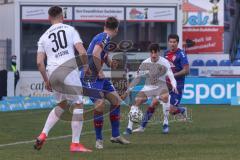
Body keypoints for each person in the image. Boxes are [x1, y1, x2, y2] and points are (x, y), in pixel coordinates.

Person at [34, 6, 91, 152]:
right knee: (78, 103)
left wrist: (46, 80)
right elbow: (82, 51)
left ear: (49, 18)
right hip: (68, 69)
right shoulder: (70, 30)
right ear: (62, 16)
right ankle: (75, 144)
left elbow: (39, 62)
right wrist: (86, 67)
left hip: (52, 72)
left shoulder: (43, 37)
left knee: (62, 104)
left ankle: (43, 134)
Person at [80, 17, 130, 149]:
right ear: (117, 29)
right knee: (99, 105)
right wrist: (101, 70)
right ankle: (99, 140)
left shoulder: (102, 37)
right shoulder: (105, 37)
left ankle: (115, 135)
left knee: (116, 101)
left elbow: (102, 55)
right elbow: (96, 54)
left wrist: (110, 63)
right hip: (89, 77)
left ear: (105, 25)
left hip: (97, 77)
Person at [132, 34, 189, 134]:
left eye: (174, 42)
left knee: (171, 109)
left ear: (177, 43)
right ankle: (142, 127)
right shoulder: (165, 54)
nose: (172, 44)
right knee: (154, 103)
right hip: (164, 85)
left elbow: (186, 70)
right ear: (168, 42)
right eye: (170, 42)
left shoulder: (181, 54)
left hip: (177, 85)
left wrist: (171, 75)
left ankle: (181, 110)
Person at [122, 43, 177, 135]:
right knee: (137, 101)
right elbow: (137, 78)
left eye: (155, 52)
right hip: (148, 87)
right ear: (149, 53)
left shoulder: (165, 62)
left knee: (165, 97)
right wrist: (129, 90)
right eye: (152, 53)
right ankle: (129, 128)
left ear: (159, 52)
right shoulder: (145, 63)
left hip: (161, 86)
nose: (154, 55)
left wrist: (174, 85)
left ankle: (165, 124)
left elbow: (171, 76)